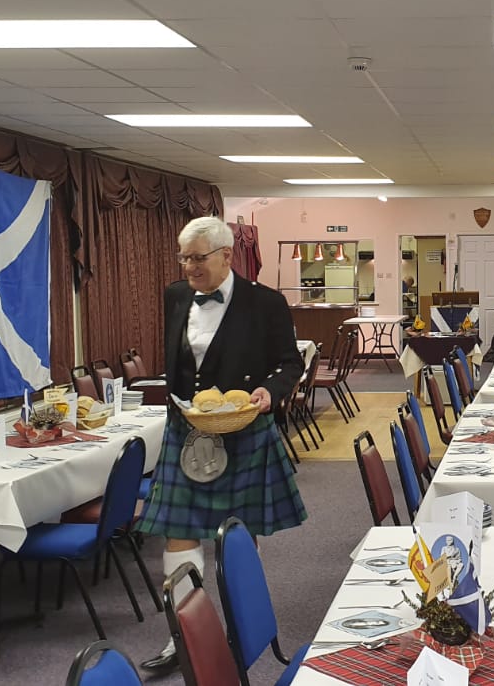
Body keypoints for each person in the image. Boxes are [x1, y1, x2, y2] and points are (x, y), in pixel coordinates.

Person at [137, 215, 306, 673]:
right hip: (187, 429)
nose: (188, 267)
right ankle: (184, 636)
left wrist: (271, 390)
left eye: (198, 258)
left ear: (227, 255)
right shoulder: (176, 295)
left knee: (236, 536)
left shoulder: (265, 303)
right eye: (184, 258)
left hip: (243, 429)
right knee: (177, 530)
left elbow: (290, 363)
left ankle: (237, 627)